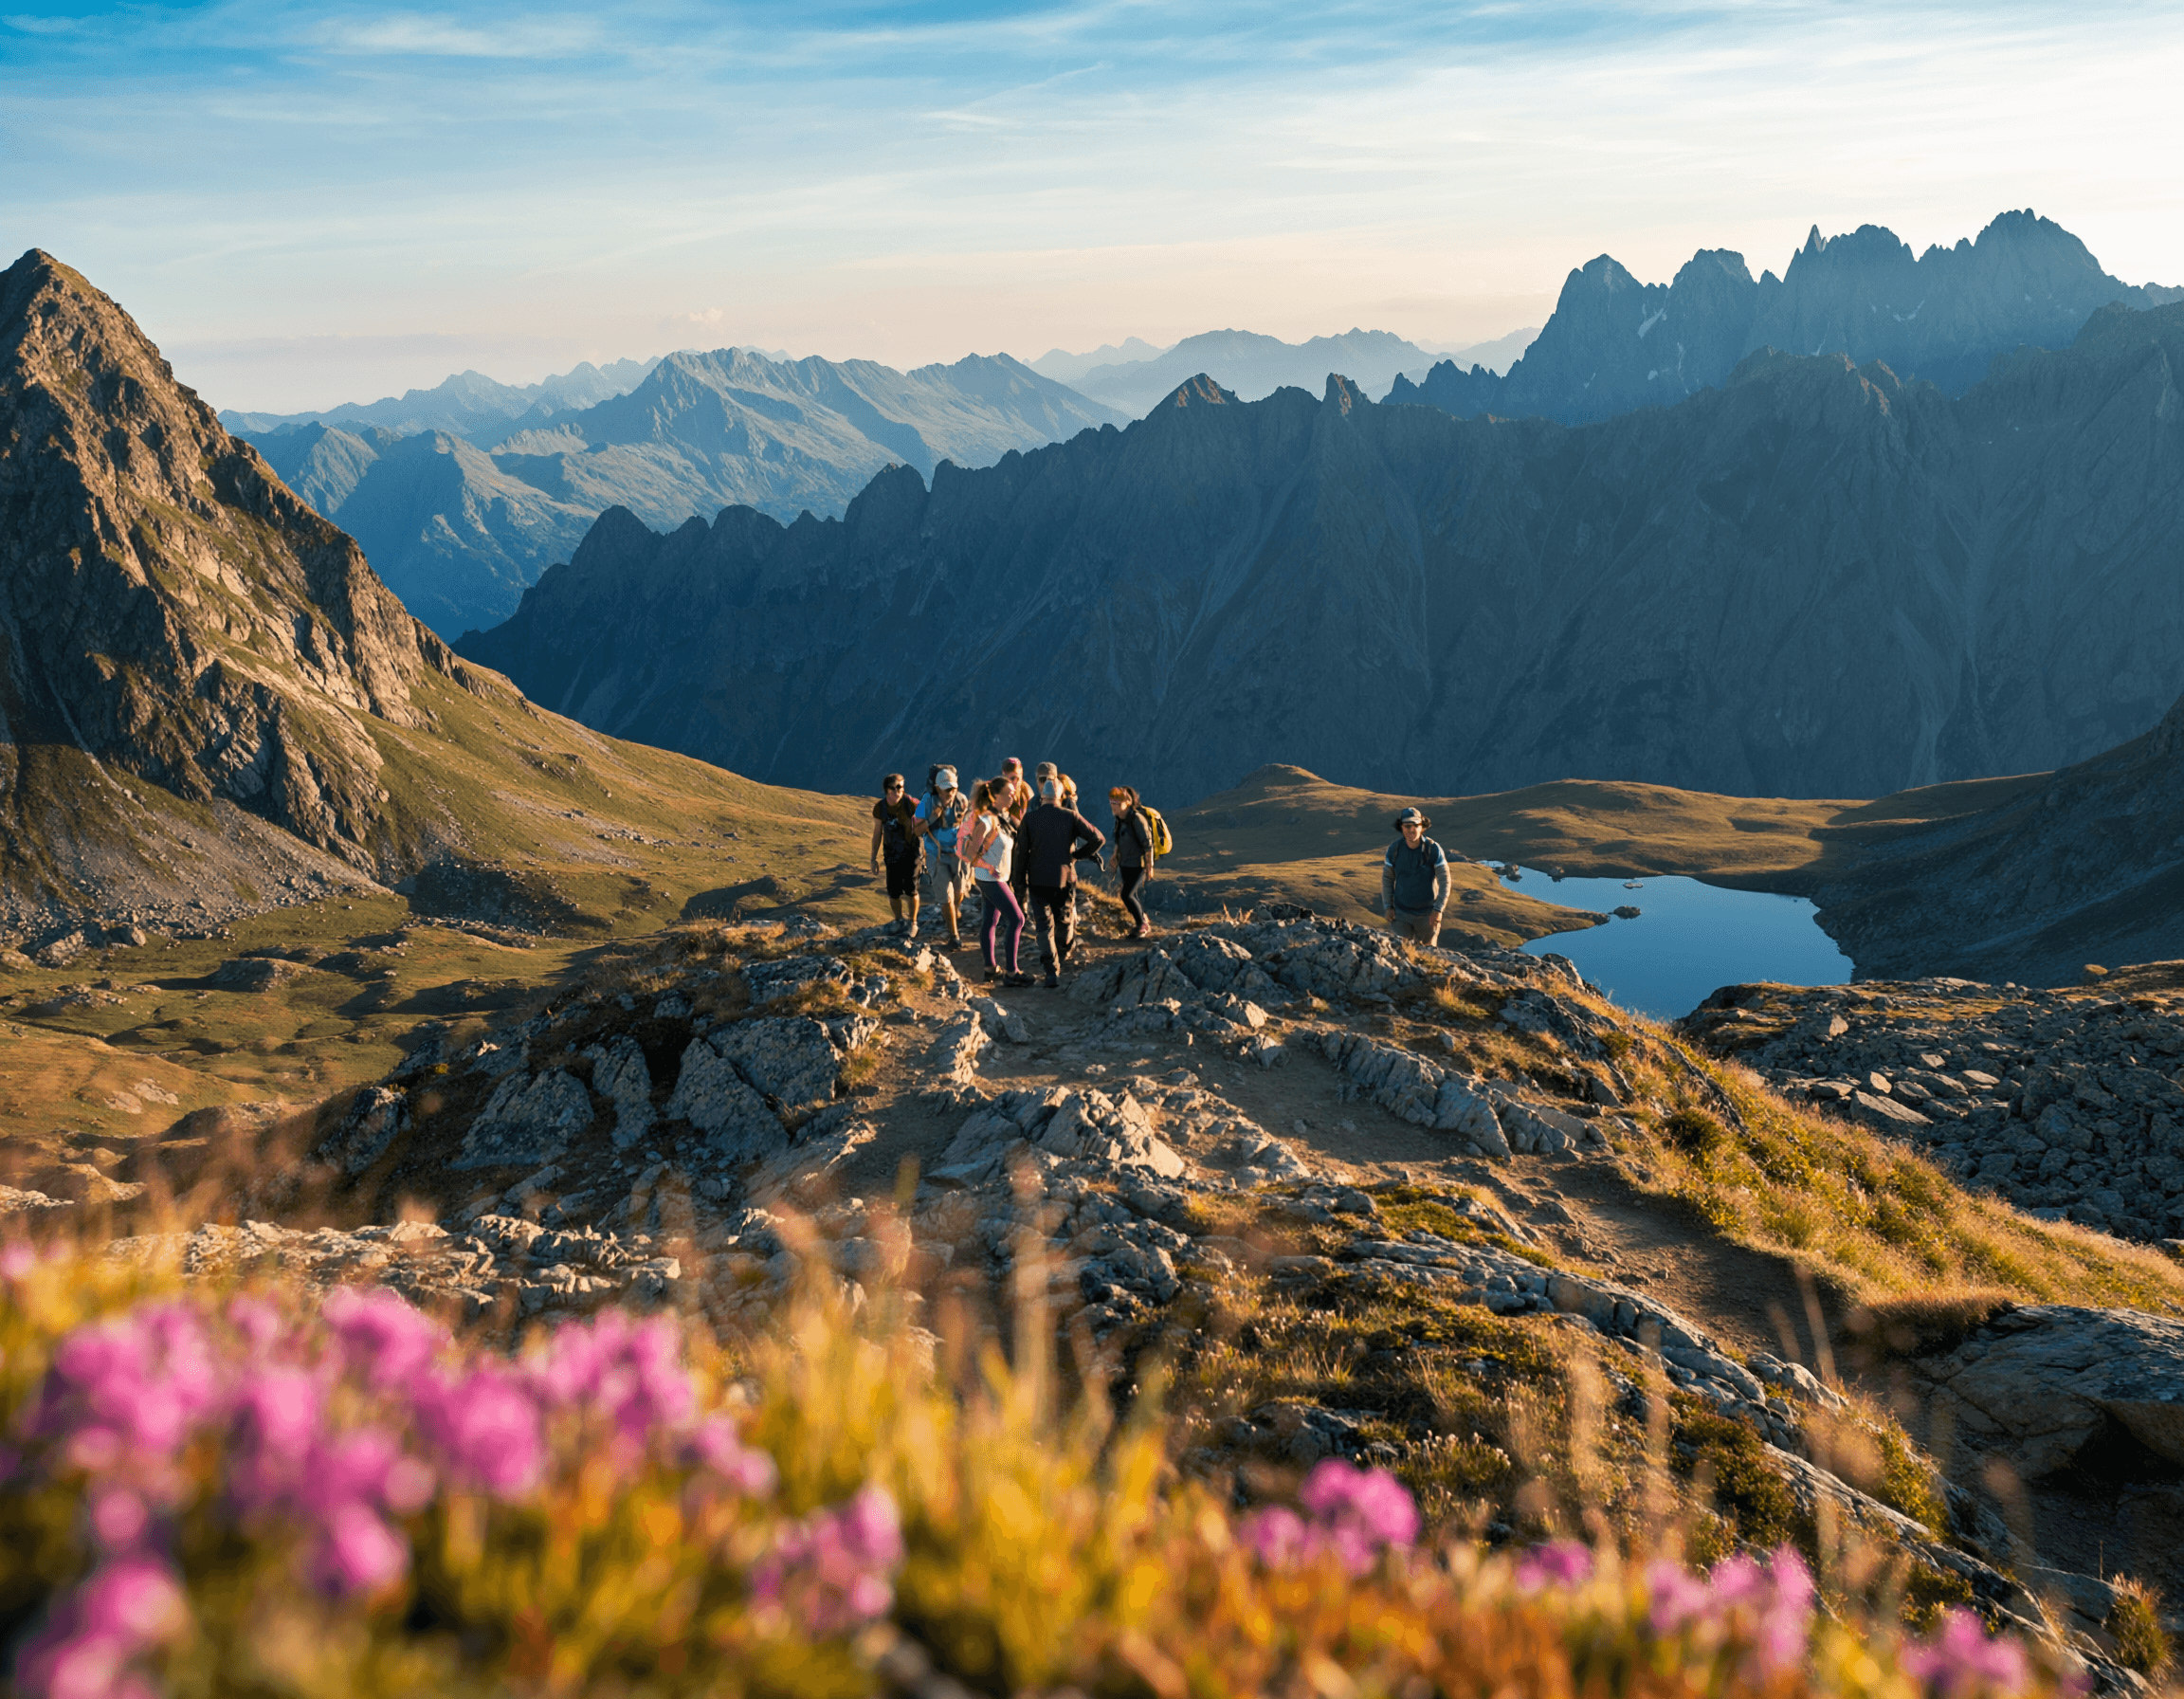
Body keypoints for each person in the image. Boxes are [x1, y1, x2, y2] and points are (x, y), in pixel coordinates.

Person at [1016, 776, 1105, 986]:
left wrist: (1019, 883)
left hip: (1037, 880)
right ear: (1061, 796)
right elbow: (1098, 838)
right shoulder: (1071, 816)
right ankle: (1063, 952)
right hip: (1064, 879)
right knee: (1064, 922)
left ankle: (1050, 970)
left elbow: (1020, 854)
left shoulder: (1029, 819)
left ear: (1042, 797)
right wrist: (1077, 856)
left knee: (1044, 926)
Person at [957, 777, 1032, 985]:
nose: (1012, 796)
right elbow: (970, 854)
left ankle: (991, 969)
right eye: (1008, 793)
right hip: (990, 879)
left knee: (990, 921)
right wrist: (988, 867)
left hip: (996, 878)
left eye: (1013, 792)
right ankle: (1012, 972)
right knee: (1017, 920)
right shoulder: (987, 821)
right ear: (995, 796)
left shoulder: (1001, 818)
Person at [914, 764, 972, 946]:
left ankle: (955, 910)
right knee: (946, 896)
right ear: (938, 788)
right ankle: (954, 936)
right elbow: (916, 831)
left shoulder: (962, 801)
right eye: (946, 789)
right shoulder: (926, 803)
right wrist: (932, 818)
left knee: (959, 891)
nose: (950, 793)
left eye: (953, 789)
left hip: (958, 855)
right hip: (936, 855)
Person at [1382, 807, 1450, 945]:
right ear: (1401, 827)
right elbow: (1388, 879)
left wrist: (1438, 909)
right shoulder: (1394, 850)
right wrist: (1388, 906)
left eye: (1415, 825)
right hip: (1400, 915)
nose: (1411, 830)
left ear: (1422, 827)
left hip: (1428, 916)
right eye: (1407, 826)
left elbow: (1445, 880)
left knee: (1429, 957)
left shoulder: (1433, 849)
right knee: (1400, 956)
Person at [867, 772, 923, 938]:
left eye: (901, 787)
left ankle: (913, 923)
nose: (900, 791)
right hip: (891, 854)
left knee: (911, 890)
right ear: (887, 790)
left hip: (911, 853)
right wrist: (873, 858)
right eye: (896, 787)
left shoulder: (911, 804)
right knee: (893, 891)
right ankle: (899, 921)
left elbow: (924, 822)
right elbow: (877, 833)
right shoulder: (880, 808)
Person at [1109, 784, 1155, 939]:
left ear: (1127, 802)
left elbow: (1148, 845)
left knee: (1126, 895)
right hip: (1125, 864)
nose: (1113, 806)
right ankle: (1142, 919)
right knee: (1131, 894)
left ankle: (1142, 924)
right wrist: (1115, 857)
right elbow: (1119, 840)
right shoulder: (1119, 820)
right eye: (1112, 802)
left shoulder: (1137, 819)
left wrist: (1149, 866)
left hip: (1138, 865)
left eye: (1117, 803)